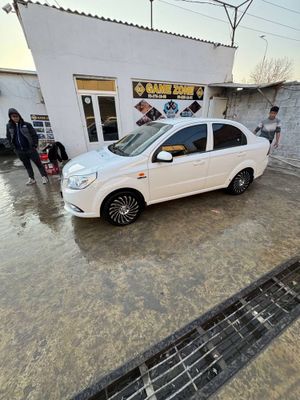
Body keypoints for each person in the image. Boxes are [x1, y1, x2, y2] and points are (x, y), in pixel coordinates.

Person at [6, 108, 49, 185]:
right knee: (27, 165)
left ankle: (44, 177)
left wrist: (34, 145)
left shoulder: (27, 124)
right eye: (13, 116)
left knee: (38, 163)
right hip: (19, 150)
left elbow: (34, 135)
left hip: (30, 149)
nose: (15, 118)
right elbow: (9, 137)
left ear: (19, 116)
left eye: (16, 116)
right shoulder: (9, 126)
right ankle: (32, 179)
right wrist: (14, 148)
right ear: (10, 117)